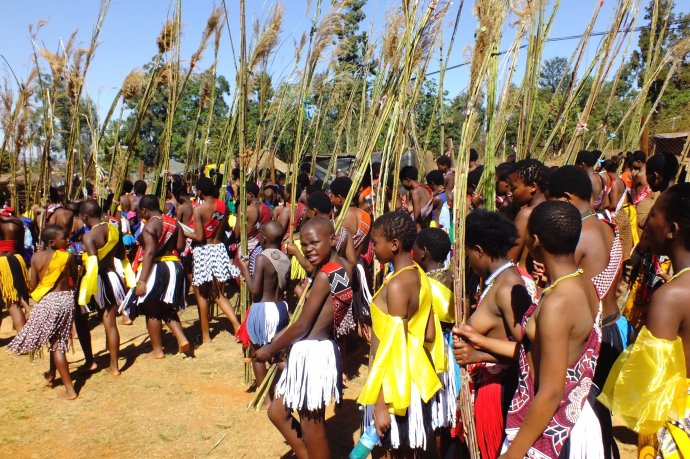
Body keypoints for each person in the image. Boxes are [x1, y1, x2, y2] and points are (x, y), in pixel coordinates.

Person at [500, 201, 602, 458]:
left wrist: (512, 454)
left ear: (535, 240)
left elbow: (551, 392)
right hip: (575, 417)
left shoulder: (558, 303)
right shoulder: (583, 283)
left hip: (554, 429)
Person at [599, 183, 690, 458]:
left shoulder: (671, 297)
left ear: (672, 230)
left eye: (653, 215)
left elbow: (652, 386)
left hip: (676, 417)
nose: (644, 223)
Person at [255, 217, 353, 459]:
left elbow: (302, 325)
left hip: (313, 353)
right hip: (317, 349)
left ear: (332, 240)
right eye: (304, 244)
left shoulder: (324, 276)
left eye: (315, 243)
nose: (308, 249)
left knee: (312, 427)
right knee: (278, 412)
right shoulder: (342, 268)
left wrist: (269, 348)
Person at [548, 165, 627, 457]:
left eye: (552, 200)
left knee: (586, 411)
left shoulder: (577, 235)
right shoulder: (607, 226)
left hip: (591, 336)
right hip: (614, 326)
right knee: (602, 409)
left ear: (567, 199)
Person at [452, 210, 535, 459]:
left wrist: (478, 351)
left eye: (467, 253)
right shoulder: (495, 281)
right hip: (485, 389)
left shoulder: (509, 287)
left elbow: (529, 353)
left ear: (478, 250)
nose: (467, 260)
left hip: (498, 394)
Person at [358, 211, 441, 454]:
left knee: (393, 450)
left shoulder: (396, 285)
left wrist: (382, 404)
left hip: (396, 387)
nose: (372, 247)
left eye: (375, 242)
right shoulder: (419, 275)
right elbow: (429, 335)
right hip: (416, 376)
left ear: (394, 244)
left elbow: (394, 347)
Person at [7, 225, 77, 399]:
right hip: (67, 300)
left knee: (56, 345)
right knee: (57, 340)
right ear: (52, 242)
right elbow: (73, 279)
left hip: (49, 302)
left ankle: (70, 390)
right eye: (65, 238)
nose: (68, 240)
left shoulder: (37, 258)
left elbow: (32, 285)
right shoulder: (68, 257)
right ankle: (52, 375)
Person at [120, 195, 190, 358]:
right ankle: (182, 338)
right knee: (166, 307)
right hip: (174, 265)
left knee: (152, 310)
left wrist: (142, 281)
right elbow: (180, 246)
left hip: (156, 268)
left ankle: (157, 350)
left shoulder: (151, 225)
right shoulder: (174, 222)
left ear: (144, 210)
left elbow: (150, 252)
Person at [412, 227, 458, 455]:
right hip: (449, 348)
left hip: (430, 350)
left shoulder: (420, 283)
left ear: (423, 253)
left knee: (430, 406)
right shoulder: (454, 277)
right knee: (444, 408)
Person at [184, 177, 241, 344]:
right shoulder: (224, 206)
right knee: (217, 293)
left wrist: (182, 230)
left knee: (202, 295)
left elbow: (199, 237)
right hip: (219, 249)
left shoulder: (199, 209)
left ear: (200, 191)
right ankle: (236, 325)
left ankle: (206, 336)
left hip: (204, 251)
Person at [78, 200, 131, 376]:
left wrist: (86, 293)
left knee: (90, 320)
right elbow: (122, 255)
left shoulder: (89, 236)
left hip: (99, 281)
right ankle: (114, 365)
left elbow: (93, 266)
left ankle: (103, 364)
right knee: (111, 325)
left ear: (85, 216)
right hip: (113, 277)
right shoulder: (113, 229)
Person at [235, 220, 290, 388]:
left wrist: (244, 268)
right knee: (278, 352)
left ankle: (265, 398)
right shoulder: (285, 258)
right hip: (280, 308)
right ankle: (284, 386)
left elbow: (254, 289)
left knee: (257, 354)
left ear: (264, 239)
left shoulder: (261, 258)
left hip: (262, 310)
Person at [506, 158, 550, 270]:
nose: (510, 193)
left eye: (513, 187)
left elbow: (508, 261)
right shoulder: (552, 208)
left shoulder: (526, 214)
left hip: (525, 278)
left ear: (533, 187)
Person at [0, 207, 29, 332]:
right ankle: (23, 340)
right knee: (13, 301)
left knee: (12, 301)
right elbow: (21, 248)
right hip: (16, 260)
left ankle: (23, 340)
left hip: (2, 261)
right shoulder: (16, 221)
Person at [329, 176, 372, 257]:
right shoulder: (366, 216)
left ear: (339, 198)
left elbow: (334, 251)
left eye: (332, 196)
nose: (331, 200)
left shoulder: (338, 221)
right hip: (359, 266)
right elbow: (364, 250)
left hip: (341, 265)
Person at [399, 165, 432, 231]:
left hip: (420, 230)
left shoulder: (416, 192)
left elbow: (417, 218)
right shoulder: (426, 188)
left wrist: (418, 235)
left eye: (402, 181)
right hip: (427, 226)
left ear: (408, 180)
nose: (403, 184)